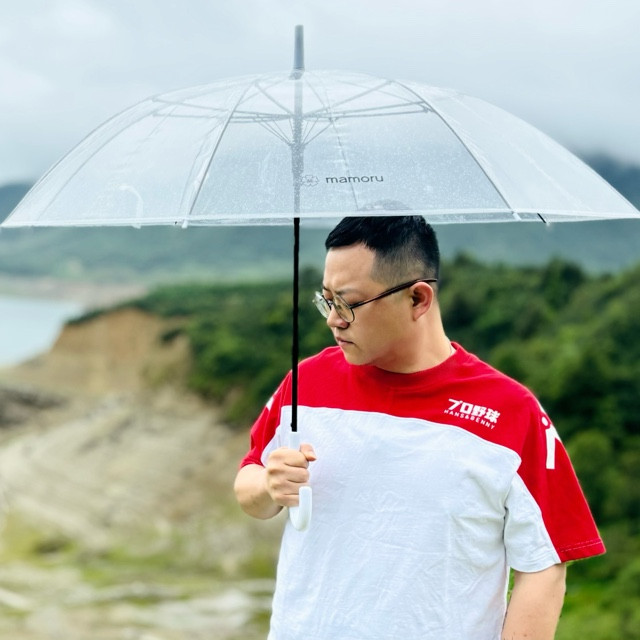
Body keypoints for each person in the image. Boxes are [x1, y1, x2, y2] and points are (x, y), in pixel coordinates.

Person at [234, 215, 605, 640]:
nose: (333, 320)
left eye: (348, 304)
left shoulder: (509, 412)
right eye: (327, 300)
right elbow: (249, 484)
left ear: (417, 298)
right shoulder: (306, 382)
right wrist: (269, 486)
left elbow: (545, 564)